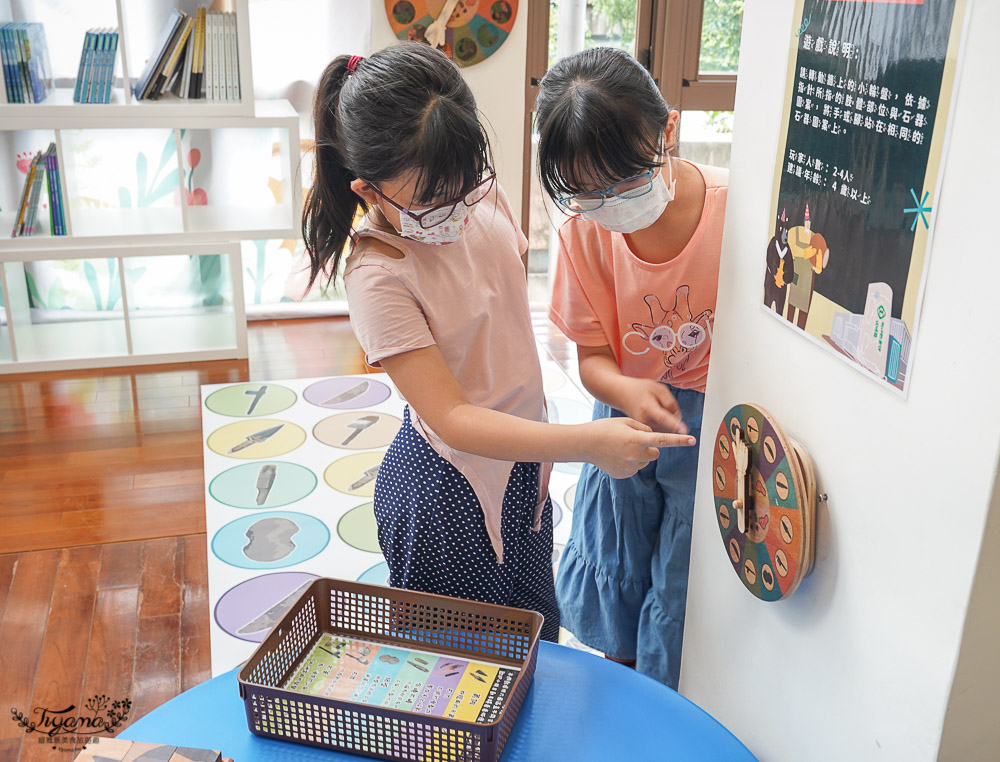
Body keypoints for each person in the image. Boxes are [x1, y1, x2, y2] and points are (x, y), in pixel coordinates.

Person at [302, 43, 695, 643]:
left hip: (522, 467)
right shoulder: (378, 274)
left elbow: (498, 320)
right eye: (429, 200)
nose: (455, 207)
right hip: (446, 492)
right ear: (368, 191)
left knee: (537, 637)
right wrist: (585, 443)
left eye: (464, 182)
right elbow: (454, 418)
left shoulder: (481, 198)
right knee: (462, 665)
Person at [535, 46, 729, 684]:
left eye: (625, 179)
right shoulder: (584, 233)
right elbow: (591, 358)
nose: (610, 203)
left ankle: (661, 689)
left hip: (712, 422)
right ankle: (620, 674)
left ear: (669, 130)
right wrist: (628, 389)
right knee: (619, 547)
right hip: (624, 421)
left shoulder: (734, 213)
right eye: (587, 192)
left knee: (684, 564)